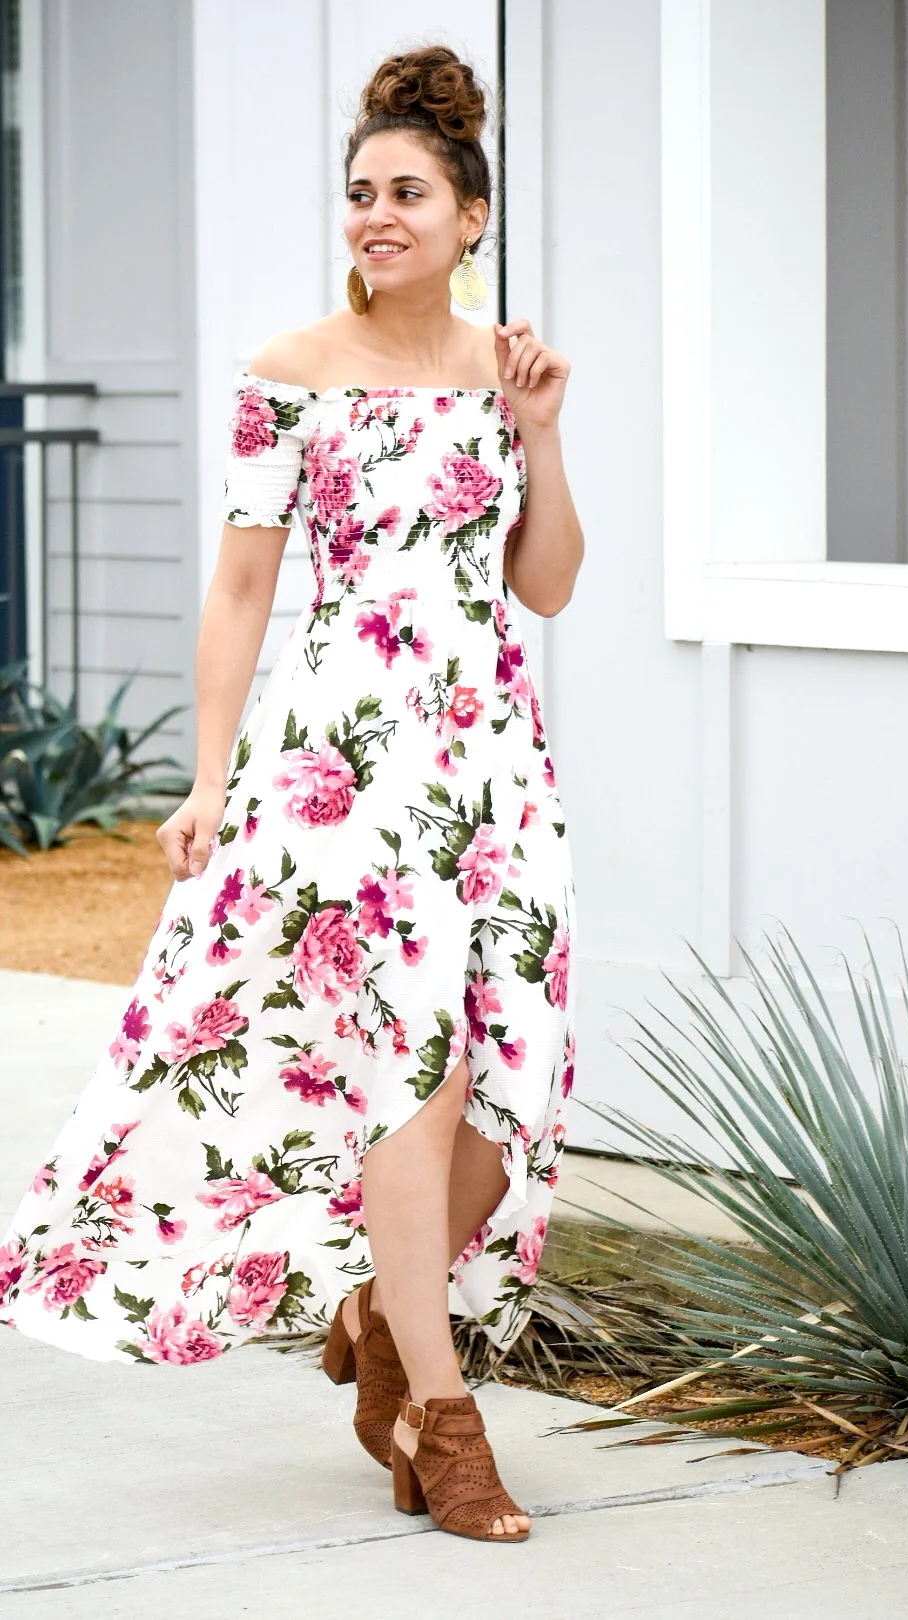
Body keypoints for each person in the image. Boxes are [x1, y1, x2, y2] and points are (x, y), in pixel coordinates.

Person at [0, 44, 583, 1545]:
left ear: (471, 216)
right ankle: (443, 1426)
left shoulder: (502, 372)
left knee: (514, 1089)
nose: (376, 215)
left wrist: (542, 433)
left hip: (490, 765)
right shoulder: (290, 375)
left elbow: (551, 585)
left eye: (408, 193)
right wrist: (206, 778)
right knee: (411, 1075)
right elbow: (241, 591)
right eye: (359, 194)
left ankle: (386, 1327)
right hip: (347, 768)